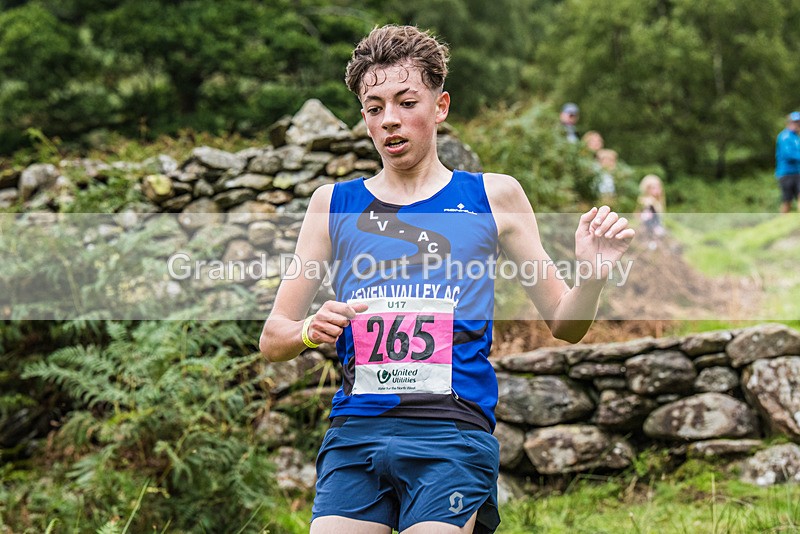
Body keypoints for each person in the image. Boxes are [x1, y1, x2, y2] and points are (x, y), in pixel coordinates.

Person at [259, 25, 634, 534]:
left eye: (406, 101)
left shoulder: (494, 197)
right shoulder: (333, 204)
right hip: (357, 435)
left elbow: (565, 324)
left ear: (440, 106)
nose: (390, 119)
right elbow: (273, 338)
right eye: (374, 108)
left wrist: (590, 277)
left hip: (450, 435)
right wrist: (309, 328)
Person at [775, 111, 800, 213]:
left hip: (797, 172)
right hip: (786, 173)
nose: (797, 124)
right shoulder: (784, 136)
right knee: (787, 200)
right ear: (789, 123)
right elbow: (787, 154)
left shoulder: (795, 137)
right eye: (795, 122)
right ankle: (782, 221)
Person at [636, 174, 666, 246]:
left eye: (658, 187)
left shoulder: (657, 202)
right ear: (647, 189)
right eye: (653, 188)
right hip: (649, 232)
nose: (657, 190)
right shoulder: (647, 202)